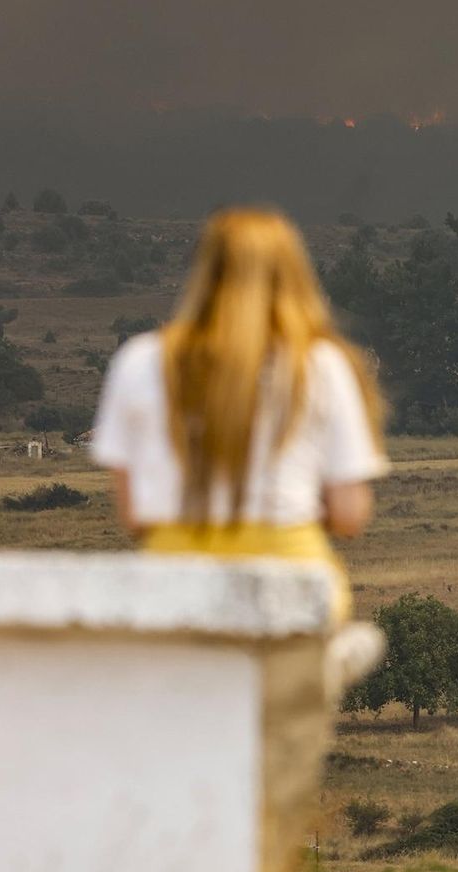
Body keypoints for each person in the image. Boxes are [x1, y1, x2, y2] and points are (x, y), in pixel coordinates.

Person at [91, 207, 388, 622]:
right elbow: (349, 515)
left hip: (172, 591)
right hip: (294, 590)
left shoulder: (142, 361)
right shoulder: (322, 366)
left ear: (203, 274)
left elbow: (132, 512)